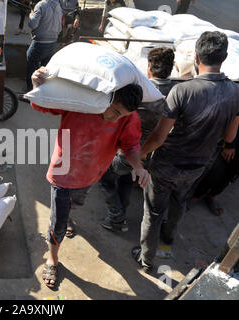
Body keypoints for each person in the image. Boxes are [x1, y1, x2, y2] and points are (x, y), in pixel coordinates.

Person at [31, 67, 150, 288]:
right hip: (63, 172)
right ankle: (53, 258)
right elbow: (43, 103)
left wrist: (138, 166)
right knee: (57, 222)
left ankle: (67, 217)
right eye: (114, 111)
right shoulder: (80, 101)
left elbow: (131, 145)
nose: (116, 118)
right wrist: (37, 86)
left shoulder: (128, 117)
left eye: (121, 115)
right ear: (106, 97)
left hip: (92, 173)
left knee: (74, 205)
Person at [133, 31, 239, 272]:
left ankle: (147, 259)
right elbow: (230, 137)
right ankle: (169, 235)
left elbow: (159, 137)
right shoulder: (235, 92)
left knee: (153, 210)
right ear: (223, 58)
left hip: (167, 164)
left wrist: (140, 153)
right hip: (199, 164)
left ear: (197, 58)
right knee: (180, 200)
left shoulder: (182, 91)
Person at [99, 47, 177, 232]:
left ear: (149, 66)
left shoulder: (142, 92)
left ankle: (116, 218)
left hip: (127, 148)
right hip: (149, 151)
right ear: (171, 68)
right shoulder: (174, 92)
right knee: (126, 179)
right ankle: (122, 212)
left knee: (104, 178)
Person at [192, 124, 239, 216]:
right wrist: (230, 145)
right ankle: (196, 195)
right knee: (216, 170)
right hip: (234, 143)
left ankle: (211, 195)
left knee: (230, 175)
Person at [24, 0, 63, 94]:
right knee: (45, 68)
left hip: (40, 42)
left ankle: (31, 92)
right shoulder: (58, 6)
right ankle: (42, 91)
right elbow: (60, 28)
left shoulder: (41, 5)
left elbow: (33, 24)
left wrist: (31, 16)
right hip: (53, 42)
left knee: (31, 65)